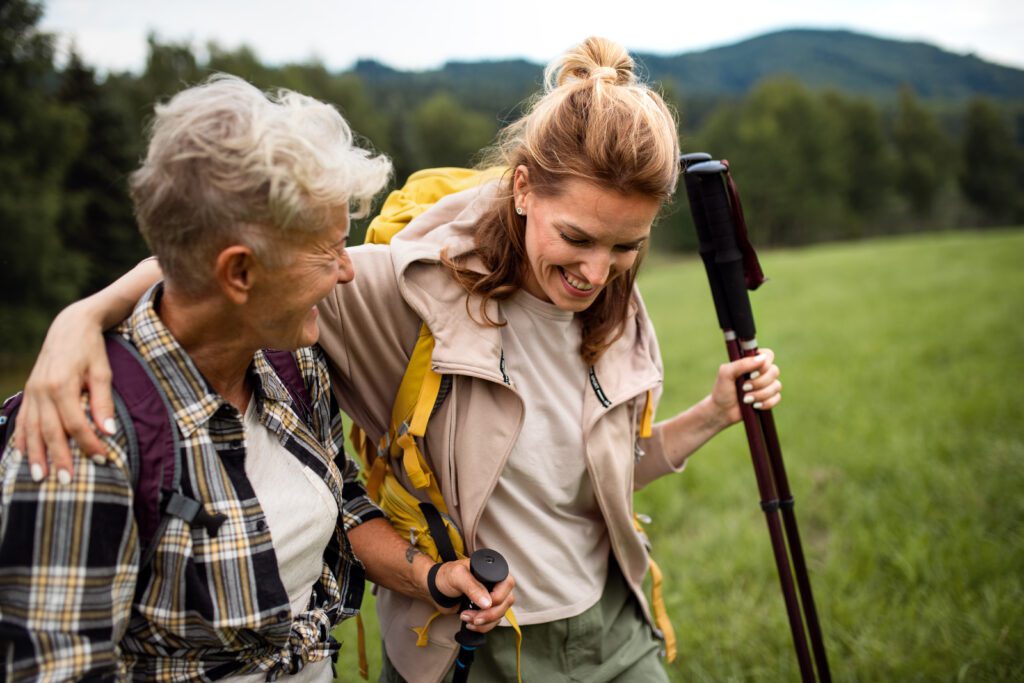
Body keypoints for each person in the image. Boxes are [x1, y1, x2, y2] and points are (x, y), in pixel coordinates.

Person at [13, 38, 782, 682]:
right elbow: (214, 258)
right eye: (578, 237)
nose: (598, 268)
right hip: (477, 652)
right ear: (522, 190)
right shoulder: (392, 287)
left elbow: (593, 474)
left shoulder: (612, 305)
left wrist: (714, 412)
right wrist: (82, 315)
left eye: (626, 245)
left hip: (616, 626)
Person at [0, 75, 513, 681]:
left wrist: (428, 576)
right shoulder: (83, 440)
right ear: (239, 273)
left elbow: (339, 501)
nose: (348, 271)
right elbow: (58, 668)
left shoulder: (289, 363)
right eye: (328, 250)